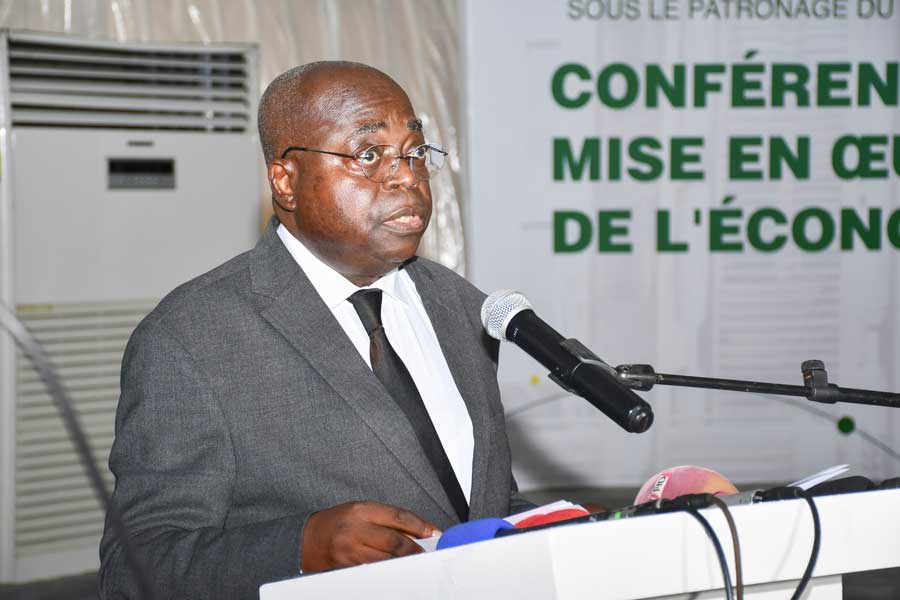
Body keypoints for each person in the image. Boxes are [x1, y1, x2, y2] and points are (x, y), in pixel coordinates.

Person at [98, 61, 532, 599]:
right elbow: (135, 567)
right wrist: (299, 547)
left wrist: (566, 531)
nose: (407, 177)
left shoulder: (459, 304)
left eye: (415, 151)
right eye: (369, 154)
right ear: (286, 181)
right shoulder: (190, 338)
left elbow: (479, 500)